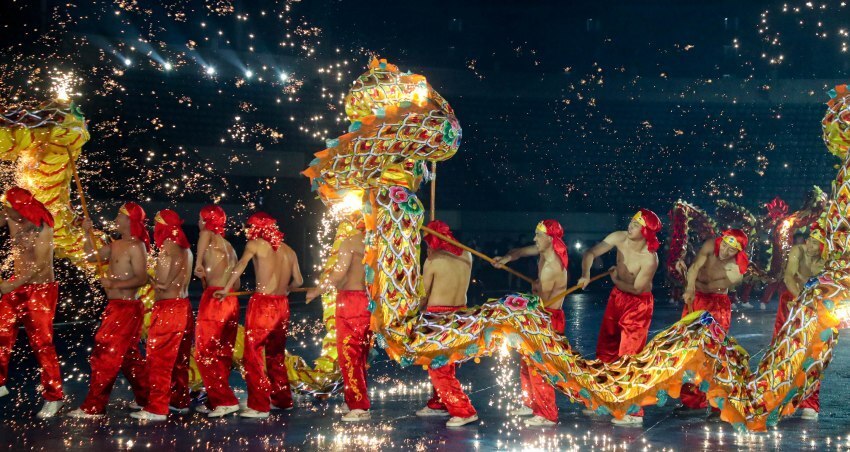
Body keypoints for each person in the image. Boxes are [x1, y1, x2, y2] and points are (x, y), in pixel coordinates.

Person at [578, 209, 661, 426]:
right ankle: (605, 399)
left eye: (636, 224)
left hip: (638, 305)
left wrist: (614, 279)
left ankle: (633, 412)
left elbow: (636, 289)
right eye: (631, 221)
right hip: (617, 298)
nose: (630, 226)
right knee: (605, 349)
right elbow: (590, 253)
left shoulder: (649, 258)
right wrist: (586, 274)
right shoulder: (618, 237)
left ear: (646, 232)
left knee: (629, 356)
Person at [216, 212, 303, 418]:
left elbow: (240, 266)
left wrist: (227, 288)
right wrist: (286, 288)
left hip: (263, 304)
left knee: (253, 355)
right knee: (276, 355)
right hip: (282, 305)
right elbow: (298, 281)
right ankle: (282, 400)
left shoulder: (255, 244)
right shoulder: (289, 251)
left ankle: (259, 405)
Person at [68, 203, 150, 418]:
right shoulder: (116, 245)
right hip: (115, 307)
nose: (115, 218)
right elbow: (91, 256)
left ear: (128, 221)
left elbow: (142, 278)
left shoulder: (136, 246)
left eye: (119, 215)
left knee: (105, 354)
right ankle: (147, 399)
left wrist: (115, 285)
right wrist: (86, 233)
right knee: (129, 357)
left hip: (126, 308)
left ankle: (94, 407)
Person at [494, 219, 569, 427]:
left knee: (540, 366)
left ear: (550, 238)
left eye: (538, 235)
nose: (534, 238)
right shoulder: (543, 251)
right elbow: (519, 252)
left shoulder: (551, 266)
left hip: (547, 318)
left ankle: (547, 414)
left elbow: (541, 302)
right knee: (527, 363)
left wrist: (533, 291)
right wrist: (506, 259)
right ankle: (530, 403)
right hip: (541, 314)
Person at [0, 187, 63, 418]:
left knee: (42, 345)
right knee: (1, 332)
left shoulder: (43, 227)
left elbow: (40, 266)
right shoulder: (11, 215)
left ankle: (54, 397)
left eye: (9, 208)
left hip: (40, 291)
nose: (6, 212)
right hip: (17, 286)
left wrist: (10, 285)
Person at [408, 220, 478, 427]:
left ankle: (464, 411)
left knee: (438, 368)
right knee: (447, 365)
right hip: (460, 315)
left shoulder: (433, 261)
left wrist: (412, 311)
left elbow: (423, 295)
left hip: (438, 318)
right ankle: (439, 402)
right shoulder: (468, 255)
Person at [305, 221, 373, 422]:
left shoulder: (350, 242)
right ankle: (355, 398)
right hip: (369, 302)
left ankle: (359, 405)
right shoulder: (378, 243)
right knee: (360, 355)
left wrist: (316, 291)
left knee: (348, 354)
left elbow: (337, 274)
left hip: (350, 302)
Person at [131, 210, 194, 421]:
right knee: (179, 360)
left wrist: (150, 279)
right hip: (184, 306)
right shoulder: (187, 249)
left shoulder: (168, 248)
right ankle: (179, 400)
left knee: (158, 359)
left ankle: (157, 407)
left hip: (168, 308)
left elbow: (164, 283)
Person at [676, 229, 748, 412]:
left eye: (731, 250)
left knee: (714, 353)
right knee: (690, 350)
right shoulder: (710, 245)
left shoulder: (736, 269)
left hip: (717, 304)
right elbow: (694, 268)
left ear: (737, 252)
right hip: (697, 298)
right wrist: (690, 288)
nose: (724, 251)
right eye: (724, 245)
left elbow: (725, 284)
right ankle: (692, 401)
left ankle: (717, 404)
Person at [193, 205, 241, 418]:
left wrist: (198, 265)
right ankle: (216, 400)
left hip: (215, 298)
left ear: (206, 220)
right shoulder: (230, 246)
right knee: (222, 353)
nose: (198, 223)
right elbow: (237, 284)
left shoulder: (207, 235)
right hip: (230, 297)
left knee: (204, 352)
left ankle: (225, 400)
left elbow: (203, 236)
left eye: (200, 218)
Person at [774, 229, 825, 420]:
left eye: (816, 244)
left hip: (815, 306)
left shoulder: (827, 260)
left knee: (813, 353)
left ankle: (809, 403)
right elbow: (789, 277)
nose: (810, 246)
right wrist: (800, 299)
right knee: (783, 350)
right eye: (810, 241)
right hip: (791, 302)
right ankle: (778, 399)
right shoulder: (798, 250)